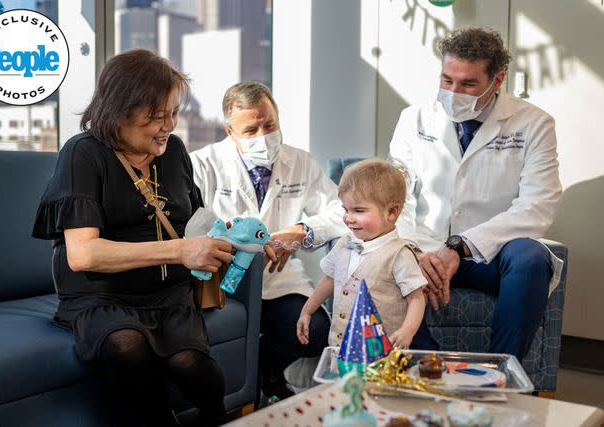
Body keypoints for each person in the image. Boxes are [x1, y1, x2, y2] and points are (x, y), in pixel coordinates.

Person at [32, 49, 231, 427]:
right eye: (158, 116)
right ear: (120, 109)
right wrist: (181, 250)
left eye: (173, 113)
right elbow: (83, 254)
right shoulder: (83, 153)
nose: (169, 125)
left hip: (170, 296)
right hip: (102, 297)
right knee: (127, 345)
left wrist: (227, 239)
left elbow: (196, 222)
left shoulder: (174, 152)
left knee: (195, 367)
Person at [388, 27, 563, 360]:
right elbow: (397, 198)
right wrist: (414, 250)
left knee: (531, 259)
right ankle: (433, 370)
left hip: (492, 256)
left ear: (497, 80)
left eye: (468, 84)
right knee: (381, 260)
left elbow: (537, 206)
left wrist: (462, 245)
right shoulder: (413, 120)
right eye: (447, 80)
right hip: (428, 248)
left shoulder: (534, 124)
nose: (454, 92)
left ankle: (499, 375)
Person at [190, 81, 347, 400]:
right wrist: (242, 241)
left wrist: (303, 230)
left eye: (270, 124)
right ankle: (255, 386)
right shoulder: (202, 164)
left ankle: (266, 373)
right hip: (223, 280)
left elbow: (342, 210)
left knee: (315, 333)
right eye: (251, 130)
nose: (264, 136)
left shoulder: (299, 162)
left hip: (279, 279)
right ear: (229, 131)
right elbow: (191, 230)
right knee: (214, 334)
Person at [296, 159, 427, 350]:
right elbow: (329, 280)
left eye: (358, 210)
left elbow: (416, 298)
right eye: (345, 209)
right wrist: (307, 311)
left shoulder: (399, 254)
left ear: (391, 212)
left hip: (382, 352)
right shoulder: (344, 243)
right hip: (341, 347)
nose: (348, 218)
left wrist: (408, 330)